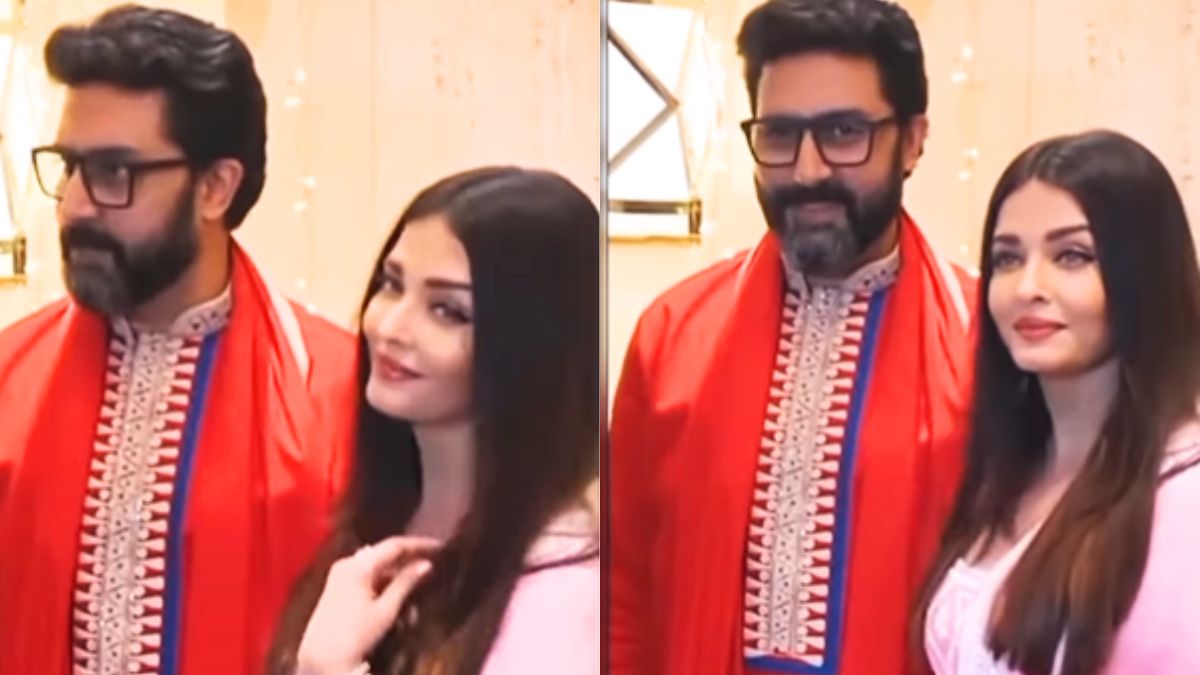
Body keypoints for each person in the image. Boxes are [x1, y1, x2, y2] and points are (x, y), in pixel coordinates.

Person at [609, 1, 978, 673]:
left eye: (843, 132)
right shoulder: (672, 336)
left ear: (912, 140)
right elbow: (624, 593)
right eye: (779, 134)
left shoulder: (985, 344)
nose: (808, 170)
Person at [0, 6, 357, 674]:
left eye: (114, 172)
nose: (74, 204)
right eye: (68, 167)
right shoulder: (8, 379)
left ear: (215, 187)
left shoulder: (340, 399)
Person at [266, 167, 600, 675]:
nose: (390, 326)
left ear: (534, 347)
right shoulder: (368, 524)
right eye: (391, 284)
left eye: (447, 310)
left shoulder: (564, 593)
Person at [918, 130, 1200, 674]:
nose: (1027, 287)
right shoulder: (1009, 468)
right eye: (1006, 259)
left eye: (1072, 256)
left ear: (1144, 275)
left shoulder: (1183, 495)